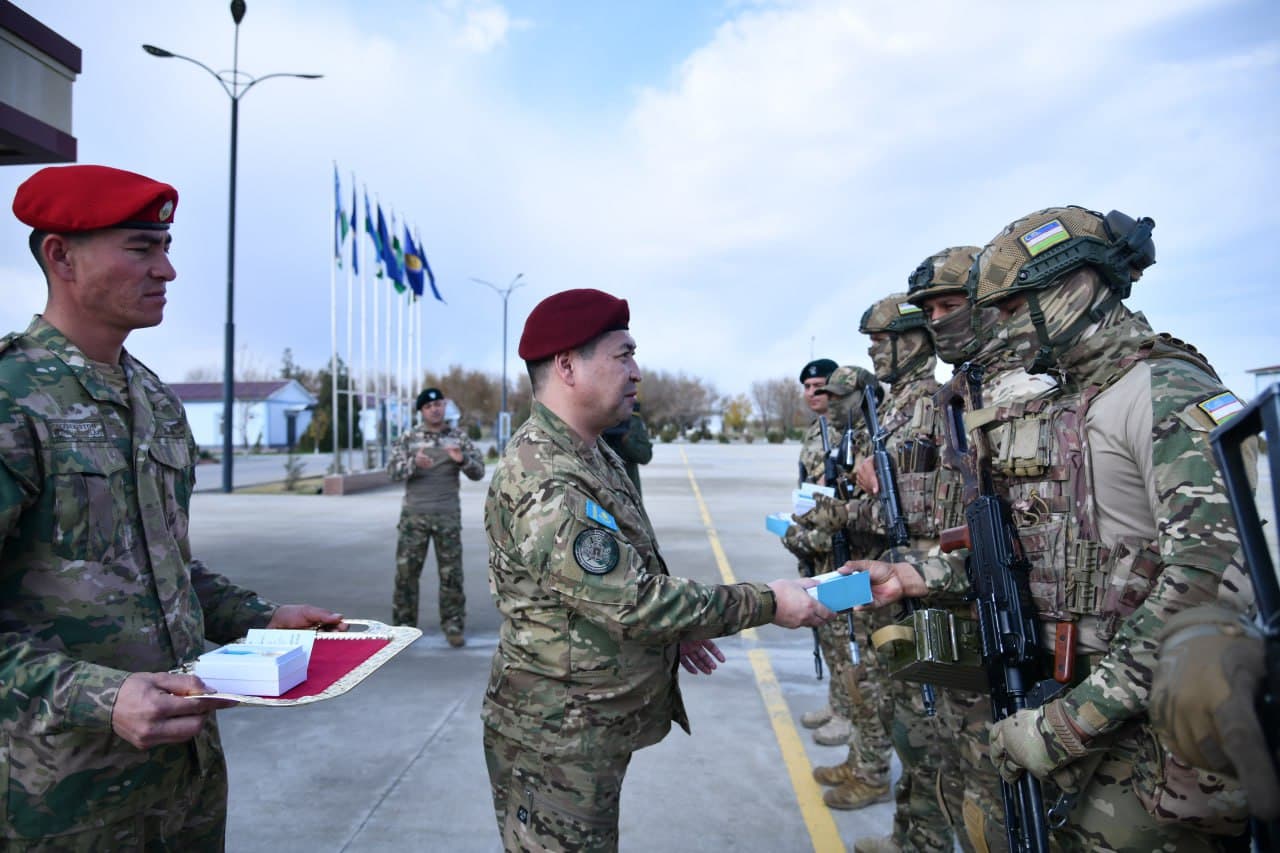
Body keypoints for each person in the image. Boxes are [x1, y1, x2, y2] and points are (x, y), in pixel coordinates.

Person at [858, 206, 1253, 850]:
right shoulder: (1073, 402)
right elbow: (1023, 546)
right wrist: (914, 573)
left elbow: (1214, 584)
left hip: (1151, 732)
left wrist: (1077, 718)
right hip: (1081, 706)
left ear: (1074, 288)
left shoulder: (1167, 391)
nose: (1004, 329)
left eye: (1014, 309)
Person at [0, 164, 344, 848]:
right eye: (140, 247)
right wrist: (100, 695)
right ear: (59, 254)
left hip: (183, 784)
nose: (167, 269)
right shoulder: (14, 402)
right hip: (61, 799)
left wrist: (260, 618)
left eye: (166, 246)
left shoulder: (154, 402)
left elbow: (162, 570)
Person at [481, 287, 836, 851]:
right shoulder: (544, 476)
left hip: (586, 726)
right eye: (623, 355)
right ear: (567, 365)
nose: (637, 372)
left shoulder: (589, 451)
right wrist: (769, 601)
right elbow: (633, 601)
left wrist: (679, 629)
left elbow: (626, 571)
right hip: (554, 741)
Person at [789, 356, 858, 747]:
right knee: (827, 634)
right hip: (814, 543)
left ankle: (851, 714)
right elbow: (807, 490)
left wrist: (814, 535)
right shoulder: (816, 431)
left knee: (844, 635)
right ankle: (837, 704)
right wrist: (798, 530)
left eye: (821, 387)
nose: (813, 394)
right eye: (808, 388)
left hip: (837, 547)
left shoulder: (845, 431)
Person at [387, 386, 485, 644]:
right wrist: (412, 464)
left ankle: (453, 627)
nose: (435, 409)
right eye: (429, 406)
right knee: (407, 574)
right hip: (414, 517)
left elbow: (479, 472)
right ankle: (403, 629)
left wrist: (462, 459)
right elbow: (392, 472)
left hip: (447, 515)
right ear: (421, 411)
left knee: (451, 574)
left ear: (444, 406)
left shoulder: (457, 438)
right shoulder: (409, 438)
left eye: (439, 404)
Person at [601, 398, 652, 496]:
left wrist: (627, 441)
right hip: (601, 489)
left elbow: (645, 456)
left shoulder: (632, 421)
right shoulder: (593, 418)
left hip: (628, 491)